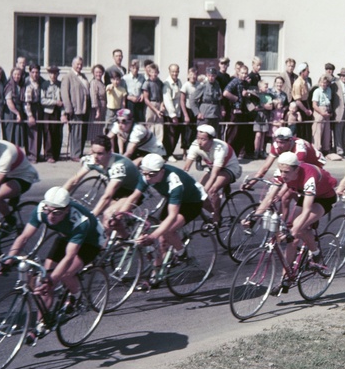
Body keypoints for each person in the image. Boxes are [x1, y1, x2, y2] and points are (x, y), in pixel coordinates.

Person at [0, 186, 103, 342]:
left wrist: (53, 279)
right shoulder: (42, 210)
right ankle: (41, 324)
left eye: (57, 213)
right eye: (48, 210)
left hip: (90, 242)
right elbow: (24, 237)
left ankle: (77, 297)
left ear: (66, 210)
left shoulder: (80, 221)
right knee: (43, 280)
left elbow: (69, 257)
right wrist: (7, 259)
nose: (51, 217)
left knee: (65, 274)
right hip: (66, 236)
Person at [249, 152, 337, 275]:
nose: (283, 175)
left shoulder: (309, 176)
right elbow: (268, 199)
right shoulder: (283, 173)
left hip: (324, 198)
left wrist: (293, 231)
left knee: (297, 228)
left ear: (296, 170)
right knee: (293, 238)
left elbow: (306, 210)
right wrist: (253, 219)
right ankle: (286, 276)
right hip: (305, 194)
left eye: (286, 172)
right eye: (281, 171)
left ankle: (316, 254)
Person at [135, 153, 207, 289]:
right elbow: (133, 197)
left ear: (162, 172)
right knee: (161, 241)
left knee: (166, 231)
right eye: (145, 174)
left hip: (191, 203)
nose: (147, 178)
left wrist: (152, 236)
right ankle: (156, 275)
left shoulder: (174, 181)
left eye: (151, 175)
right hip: (173, 200)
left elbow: (172, 216)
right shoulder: (148, 174)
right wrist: (119, 213)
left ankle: (181, 253)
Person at [64, 135, 144, 228]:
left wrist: (91, 218)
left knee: (108, 215)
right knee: (110, 223)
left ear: (109, 153)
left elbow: (107, 196)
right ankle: (119, 239)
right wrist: (57, 196)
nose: (95, 156)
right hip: (120, 187)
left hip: (134, 191)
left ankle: (124, 238)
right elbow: (74, 180)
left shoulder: (118, 166)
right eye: (93, 152)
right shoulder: (92, 159)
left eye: (100, 153)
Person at [183, 123, 242, 215]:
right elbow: (186, 168)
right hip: (213, 166)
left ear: (211, 140)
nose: (199, 142)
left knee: (211, 190)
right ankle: (212, 212)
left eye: (203, 139)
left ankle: (217, 216)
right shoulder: (195, 145)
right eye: (198, 138)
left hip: (229, 167)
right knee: (198, 192)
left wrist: (204, 192)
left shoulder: (220, 148)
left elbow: (214, 175)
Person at [61, 56, 91, 159]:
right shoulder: (68, 77)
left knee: (82, 132)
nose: (79, 66)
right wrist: (68, 109)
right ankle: (75, 154)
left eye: (81, 64)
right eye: (77, 64)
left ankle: (80, 152)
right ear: (72, 64)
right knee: (76, 133)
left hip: (84, 108)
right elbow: (65, 94)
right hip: (75, 109)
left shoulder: (83, 76)